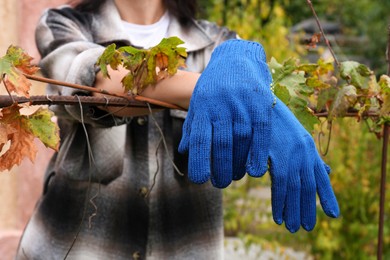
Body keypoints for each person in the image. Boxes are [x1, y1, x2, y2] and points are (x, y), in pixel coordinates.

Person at [16, 0, 339, 259]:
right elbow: (95, 81)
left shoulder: (221, 45)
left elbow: (245, 87)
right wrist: (222, 90)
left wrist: (251, 94)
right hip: (72, 249)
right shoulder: (64, 23)